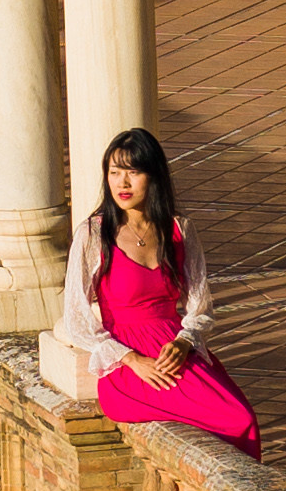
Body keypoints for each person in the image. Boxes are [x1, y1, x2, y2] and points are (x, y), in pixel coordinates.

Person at [67, 127, 260, 455]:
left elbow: (200, 304)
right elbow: (76, 319)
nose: (122, 183)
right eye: (114, 172)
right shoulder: (94, 234)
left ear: (153, 176)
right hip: (129, 366)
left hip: (174, 348)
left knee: (242, 418)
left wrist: (185, 342)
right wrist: (131, 360)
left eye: (133, 172)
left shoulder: (179, 229)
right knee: (229, 419)